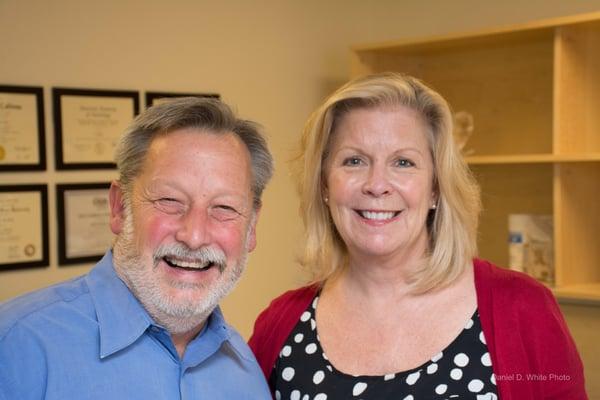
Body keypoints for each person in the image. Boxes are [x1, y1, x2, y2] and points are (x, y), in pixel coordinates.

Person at [249, 73, 587, 399]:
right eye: (353, 160)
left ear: (436, 188)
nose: (376, 184)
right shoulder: (280, 326)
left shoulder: (522, 308)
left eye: (403, 163)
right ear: (324, 184)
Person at [0, 97, 273, 399]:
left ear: (252, 227)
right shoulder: (14, 348)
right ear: (119, 207)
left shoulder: (247, 374)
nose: (194, 237)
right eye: (169, 200)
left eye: (224, 207)